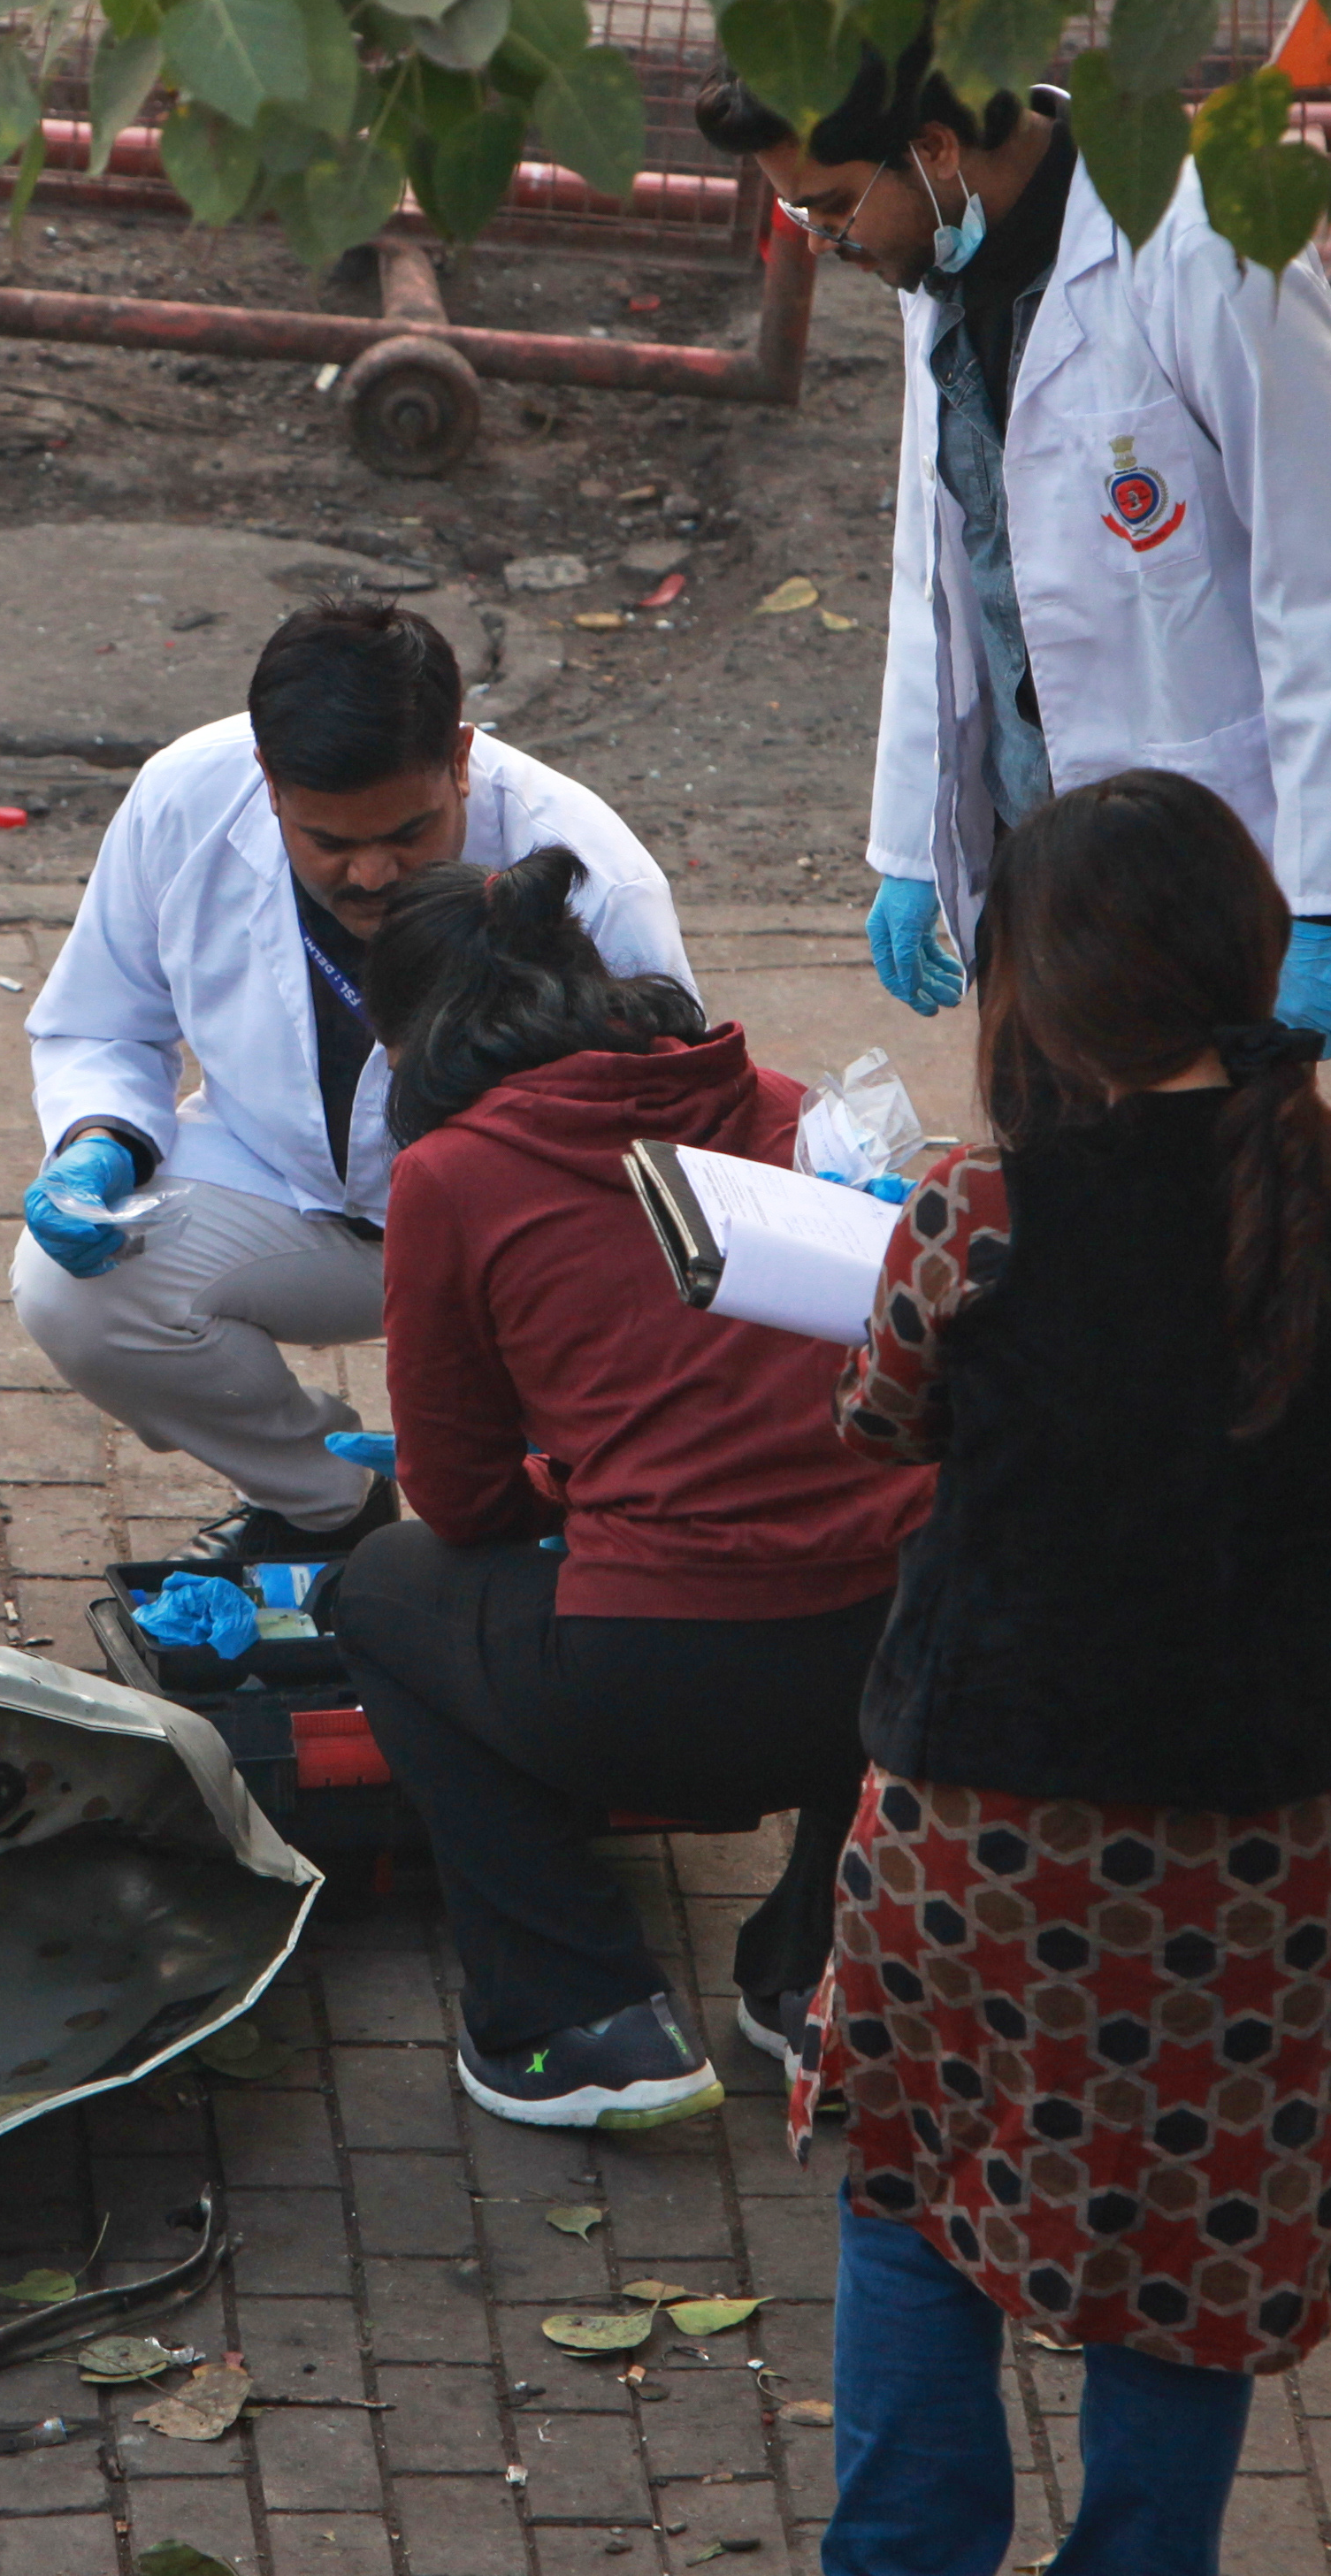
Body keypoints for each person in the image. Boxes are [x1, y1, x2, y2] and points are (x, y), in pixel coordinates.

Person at [799, 769, 1331, 2575]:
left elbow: (882, 1414)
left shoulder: (974, 1206)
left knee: (918, 2187)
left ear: (1040, 987)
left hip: (978, 1823)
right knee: (1199, 2248)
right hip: (1260, 1844)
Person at [315, 850, 929, 2133]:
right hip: (906, 1666)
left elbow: (463, 1501)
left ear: (412, 1040)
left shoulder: (452, 1175)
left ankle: (576, 2012)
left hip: (652, 1684)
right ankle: (821, 1966)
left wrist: (560, 1478)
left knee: (379, 1585)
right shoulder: (787, 1105)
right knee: (860, 1542)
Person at [692, 44, 1331, 1051]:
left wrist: (1322, 900)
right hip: (1029, 852)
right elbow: (940, 562)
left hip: (1207, 854)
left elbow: (1325, 577)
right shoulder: (936, 260)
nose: (822, 240)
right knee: (1047, 1174)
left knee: (1201, 1182)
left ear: (933, 149)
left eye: (829, 208)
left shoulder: (1212, 239)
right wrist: (911, 841)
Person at [16, 600, 690, 1556]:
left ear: (462, 757)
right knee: (70, 1291)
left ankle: (557, 1513)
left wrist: (550, 1434)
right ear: (267, 779)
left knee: (572, 1512)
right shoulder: (183, 796)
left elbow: (658, 1157)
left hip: (525, 1246)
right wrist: (96, 1141)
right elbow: (100, 1018)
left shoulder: (597, 879)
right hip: (284, 1185)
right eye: (328, 842)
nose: (372, 873)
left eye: (411, 832)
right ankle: (325, 1499)